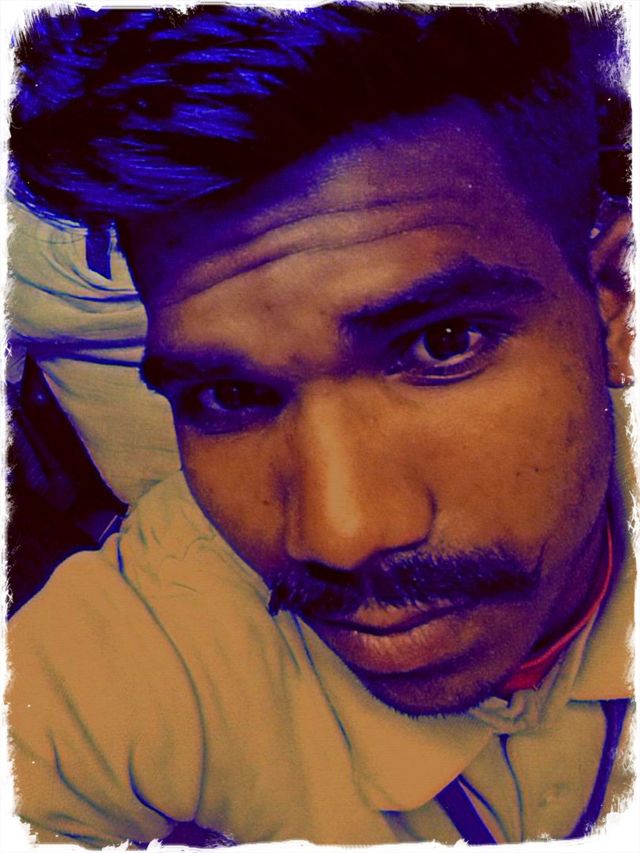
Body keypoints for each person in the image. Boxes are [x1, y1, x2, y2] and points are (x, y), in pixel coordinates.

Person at [6, 3, 635, 847]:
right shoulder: (142, 648)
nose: (338, 535)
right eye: (228, 394)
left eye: (442, 343)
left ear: (614, 300)